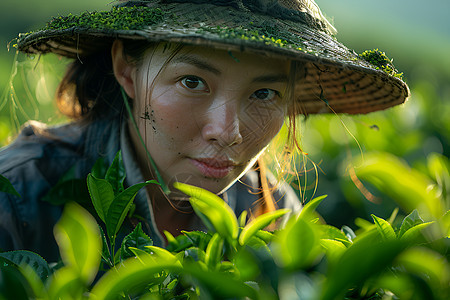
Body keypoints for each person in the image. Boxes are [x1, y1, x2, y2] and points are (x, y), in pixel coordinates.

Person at [0, 0, 409, 263]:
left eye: (264, 92)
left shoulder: (267, 213)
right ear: (126, 68)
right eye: (192, 82)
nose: (227, 132)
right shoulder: (18, 196)